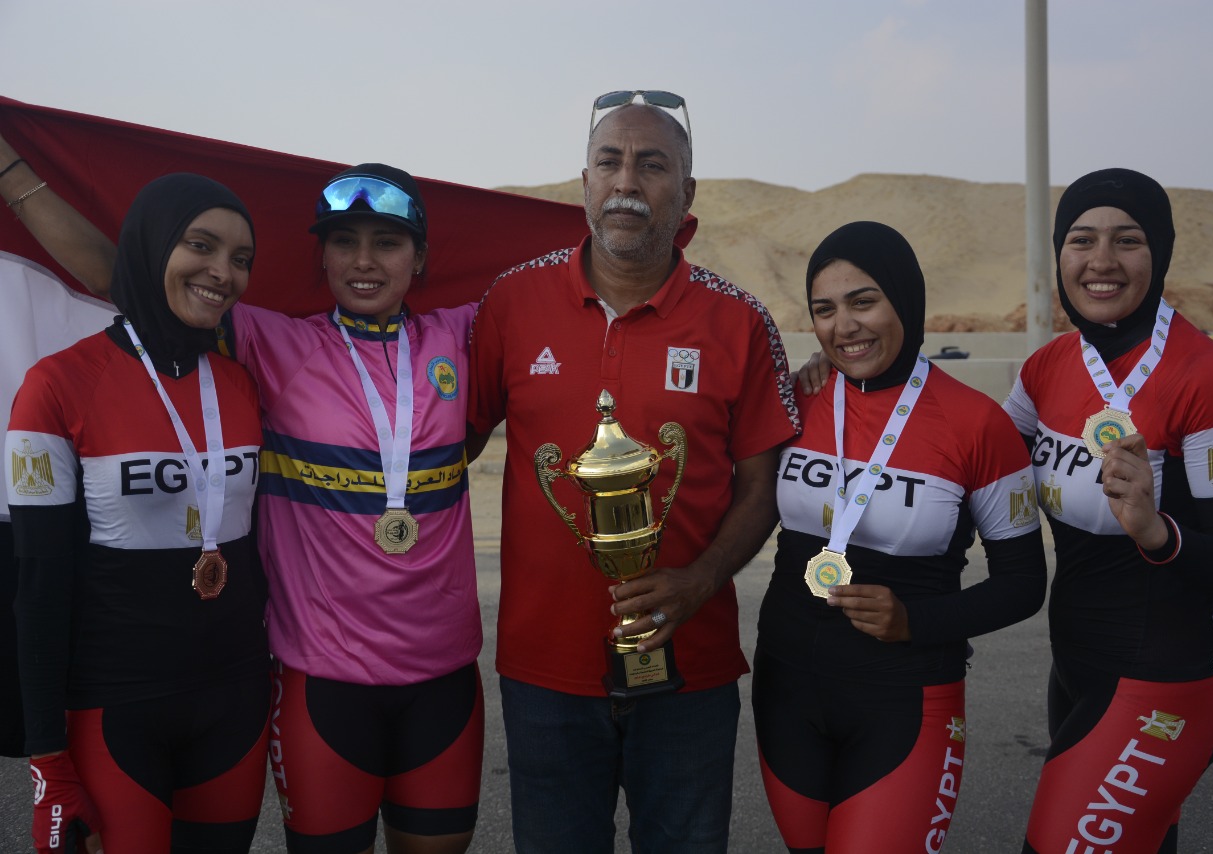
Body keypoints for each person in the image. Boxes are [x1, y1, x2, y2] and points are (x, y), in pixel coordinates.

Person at [2, 136, 483, 853]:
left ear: (420, 258)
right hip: (316, 675)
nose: (363, 261)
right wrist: (11, 173)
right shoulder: (270, 343)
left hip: (443, 673)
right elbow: (125, 275)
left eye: (387, 243)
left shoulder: (466, 335)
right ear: (320, 257)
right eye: (344, 242)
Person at [468, 91, 800, 852]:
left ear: (686, 192)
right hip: (544, 672)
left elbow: (762, 486)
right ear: (583, 181)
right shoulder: (512, 302)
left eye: (652, 165)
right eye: (609, 161)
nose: (627, 182)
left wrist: (702, 579)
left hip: (691, 669)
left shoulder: (740, 321)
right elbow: (448, 439)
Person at [1002, 168, 1213, 852]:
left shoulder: (1207, 379)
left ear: (1160, 252)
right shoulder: (1046, 368)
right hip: (1075, 671)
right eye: (1081, 240)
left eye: (1127, 240)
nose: (1101, 261)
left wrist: (1158, 532)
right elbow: (976, 468)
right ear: (1059, 254)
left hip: (1166, 683)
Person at [754, 222, 1047, 852]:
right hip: (786, 687)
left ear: (906, 301)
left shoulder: (978, 423)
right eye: (824, 310)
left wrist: (915, 620)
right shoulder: (797, 399)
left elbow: (1024, 584)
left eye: (863, 302)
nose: (844, 327)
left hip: (904, 696)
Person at [4, 173, 270, 852]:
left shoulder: (241, 381)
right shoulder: (55, 385)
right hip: (115, 704)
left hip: (236, 694)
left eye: (241, 258)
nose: (224, 272)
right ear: (151, 247)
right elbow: (37, 583)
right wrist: (47, 757)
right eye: (201, 245)